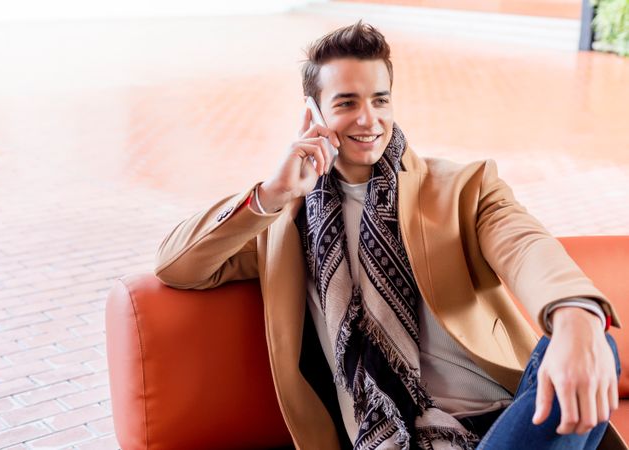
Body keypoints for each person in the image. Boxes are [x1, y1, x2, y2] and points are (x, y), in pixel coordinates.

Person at [154, 21, 623, 450]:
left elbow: (525, 246)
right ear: (311, 112)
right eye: (346, 103)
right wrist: (272, 192)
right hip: (388, 439)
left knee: (595, 341)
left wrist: (575, 315)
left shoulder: (460, 188)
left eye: (380, 99)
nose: (368, 119)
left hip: (503, 427)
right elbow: (177, 265)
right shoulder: (284, 226)